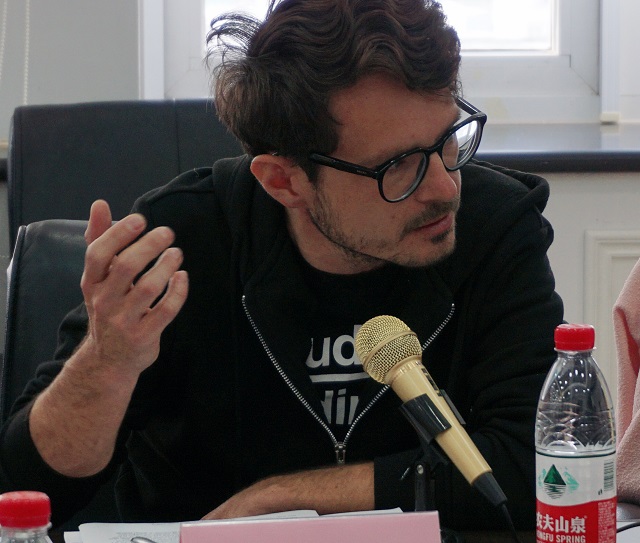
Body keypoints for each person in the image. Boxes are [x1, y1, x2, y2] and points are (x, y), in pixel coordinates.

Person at [0, 0, 563, 532]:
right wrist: (108, 361)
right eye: (398, 166)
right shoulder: (181, 242)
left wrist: (285, 500)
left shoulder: (494, 227)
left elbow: (542, 464)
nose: (445, 188)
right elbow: (28, 489)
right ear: (283, 181)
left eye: (448, 140)